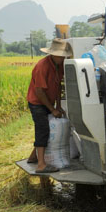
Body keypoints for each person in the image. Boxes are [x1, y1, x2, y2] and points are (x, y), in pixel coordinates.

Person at [26, 38, 72, 173]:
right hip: (37, 102)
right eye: (61, 56)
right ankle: (41, 165)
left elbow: (58, 86)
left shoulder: (58, 66)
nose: (63, 58)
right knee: (43, 130)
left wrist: (57, 105)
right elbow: (39, 91)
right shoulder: (42, 66)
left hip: (48, 101)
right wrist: (52, 109)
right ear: (53, 54)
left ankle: (33, 157)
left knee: (47, 130)